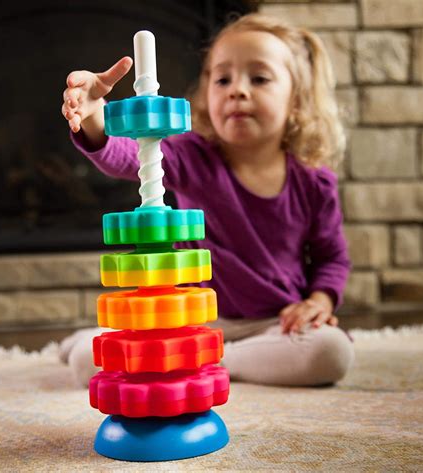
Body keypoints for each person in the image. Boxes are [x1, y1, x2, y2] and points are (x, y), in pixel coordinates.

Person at [60, 13, 354, 388]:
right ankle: (173, 353)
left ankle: (203, 361)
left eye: (259, 78)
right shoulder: (192, 155)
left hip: (273, 323)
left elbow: (332, 258)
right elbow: (128, 158)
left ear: (296, 99)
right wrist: (93, 119)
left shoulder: (314, 182)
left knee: (331, 353)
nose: (237, 90)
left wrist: (319, 302)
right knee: (90, 360)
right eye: (222, 79)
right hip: (188, 317)